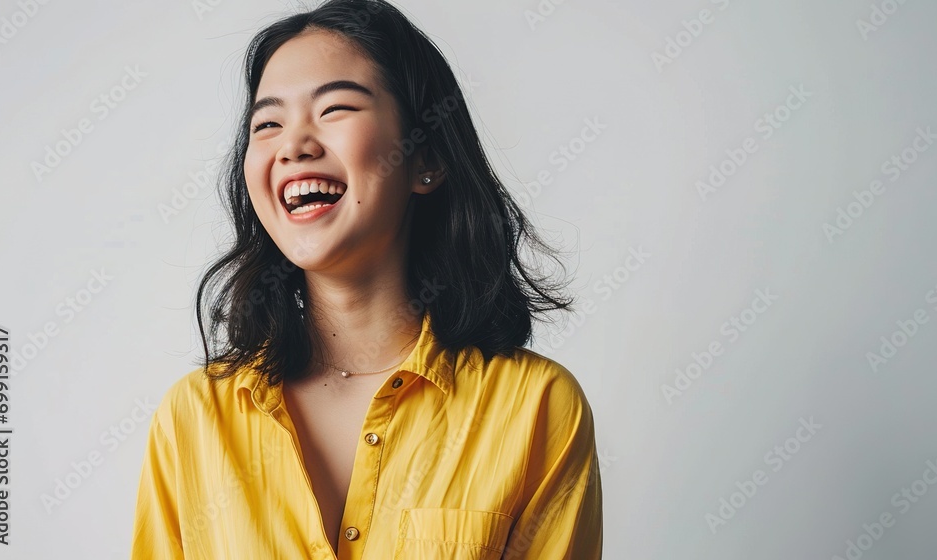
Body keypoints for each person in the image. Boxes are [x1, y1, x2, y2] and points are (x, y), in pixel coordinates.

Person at [131, 1, 603, 558]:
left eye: (334, 109)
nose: (293, 146)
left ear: (424, 155)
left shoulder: (537, 408)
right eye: (268, 123)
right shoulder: (194, 417)